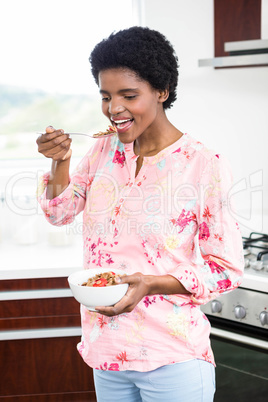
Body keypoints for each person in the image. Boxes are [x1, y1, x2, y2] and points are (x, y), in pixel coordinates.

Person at [36, 26, 244, 402]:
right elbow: (59, 212)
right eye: (106, 96)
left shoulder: (202, 164)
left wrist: (150, 283)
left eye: (128, 95)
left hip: (173, 356)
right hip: (108, 354)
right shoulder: (102, 151)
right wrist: (60, 161)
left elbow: (225, 269)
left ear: (161, 91)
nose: (114, 109)